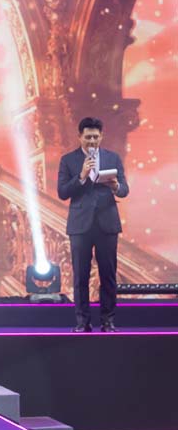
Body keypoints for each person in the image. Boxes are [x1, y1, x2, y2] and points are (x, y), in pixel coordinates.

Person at [56, 117, 129, 333]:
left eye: (96, 137)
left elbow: (124, 190)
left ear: (101, 136)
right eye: (88, 137)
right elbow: (62, 192)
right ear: (80, 137)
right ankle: (83, 322)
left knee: (108, 275)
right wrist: (81, 176)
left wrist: (116, 186)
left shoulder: (112, 158)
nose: (92, 141)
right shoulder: (68, 160)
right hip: (80, 225)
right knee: (81, 275)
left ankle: (108, 321)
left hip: (107, 224)